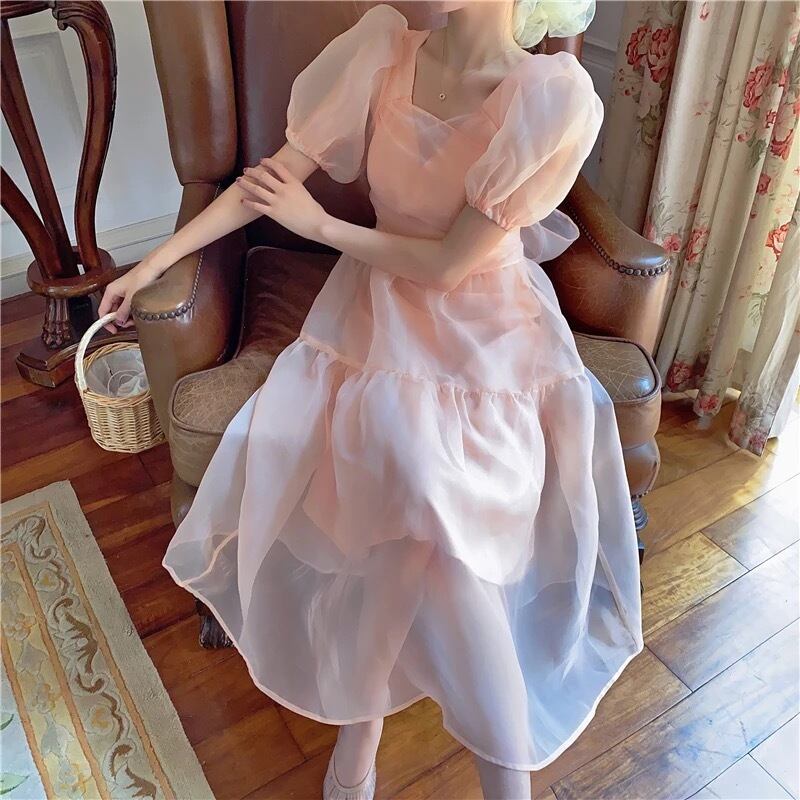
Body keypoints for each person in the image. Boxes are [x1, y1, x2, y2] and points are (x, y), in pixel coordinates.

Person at [99, 2, 645, 798]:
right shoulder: (382, 49)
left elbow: (448, 266)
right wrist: (151, 265)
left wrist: (320, 226)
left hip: (490, 335)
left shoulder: (549, 96)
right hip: (375, 315)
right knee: (414, 505)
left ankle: (365, 751)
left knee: (425, 514)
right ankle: (405, 760)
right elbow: (266, 185)